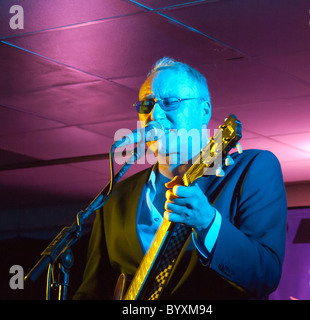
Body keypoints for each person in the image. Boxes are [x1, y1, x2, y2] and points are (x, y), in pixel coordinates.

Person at [73, 57, 287, 300]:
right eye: (146, 105)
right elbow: (92, 291)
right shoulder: (115, 198)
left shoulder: (252, 168)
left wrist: (207, 222)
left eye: (169, 102)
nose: (154, 114)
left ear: (204, 110)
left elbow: (266, 275)